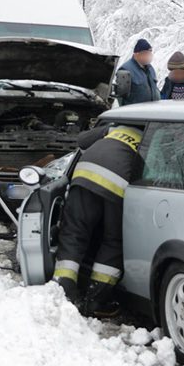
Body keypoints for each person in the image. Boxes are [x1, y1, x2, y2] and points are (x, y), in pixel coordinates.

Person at [52, 123, 144, 317]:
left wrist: (107, 129)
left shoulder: (115, 128)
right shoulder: (149, 138)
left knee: (74, 232)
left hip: (84, 175)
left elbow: (81, 140)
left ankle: (63, 289)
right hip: (117, 185)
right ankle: (96, 300)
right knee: (113, 241)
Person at [118, 39, 160, 105]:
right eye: (146, 53)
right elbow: (121, 98)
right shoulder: (125, 70)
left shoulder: (150, 68)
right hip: (134, 112)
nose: (149, 56)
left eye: (150, 53)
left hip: (151, 111)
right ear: (137, 54)